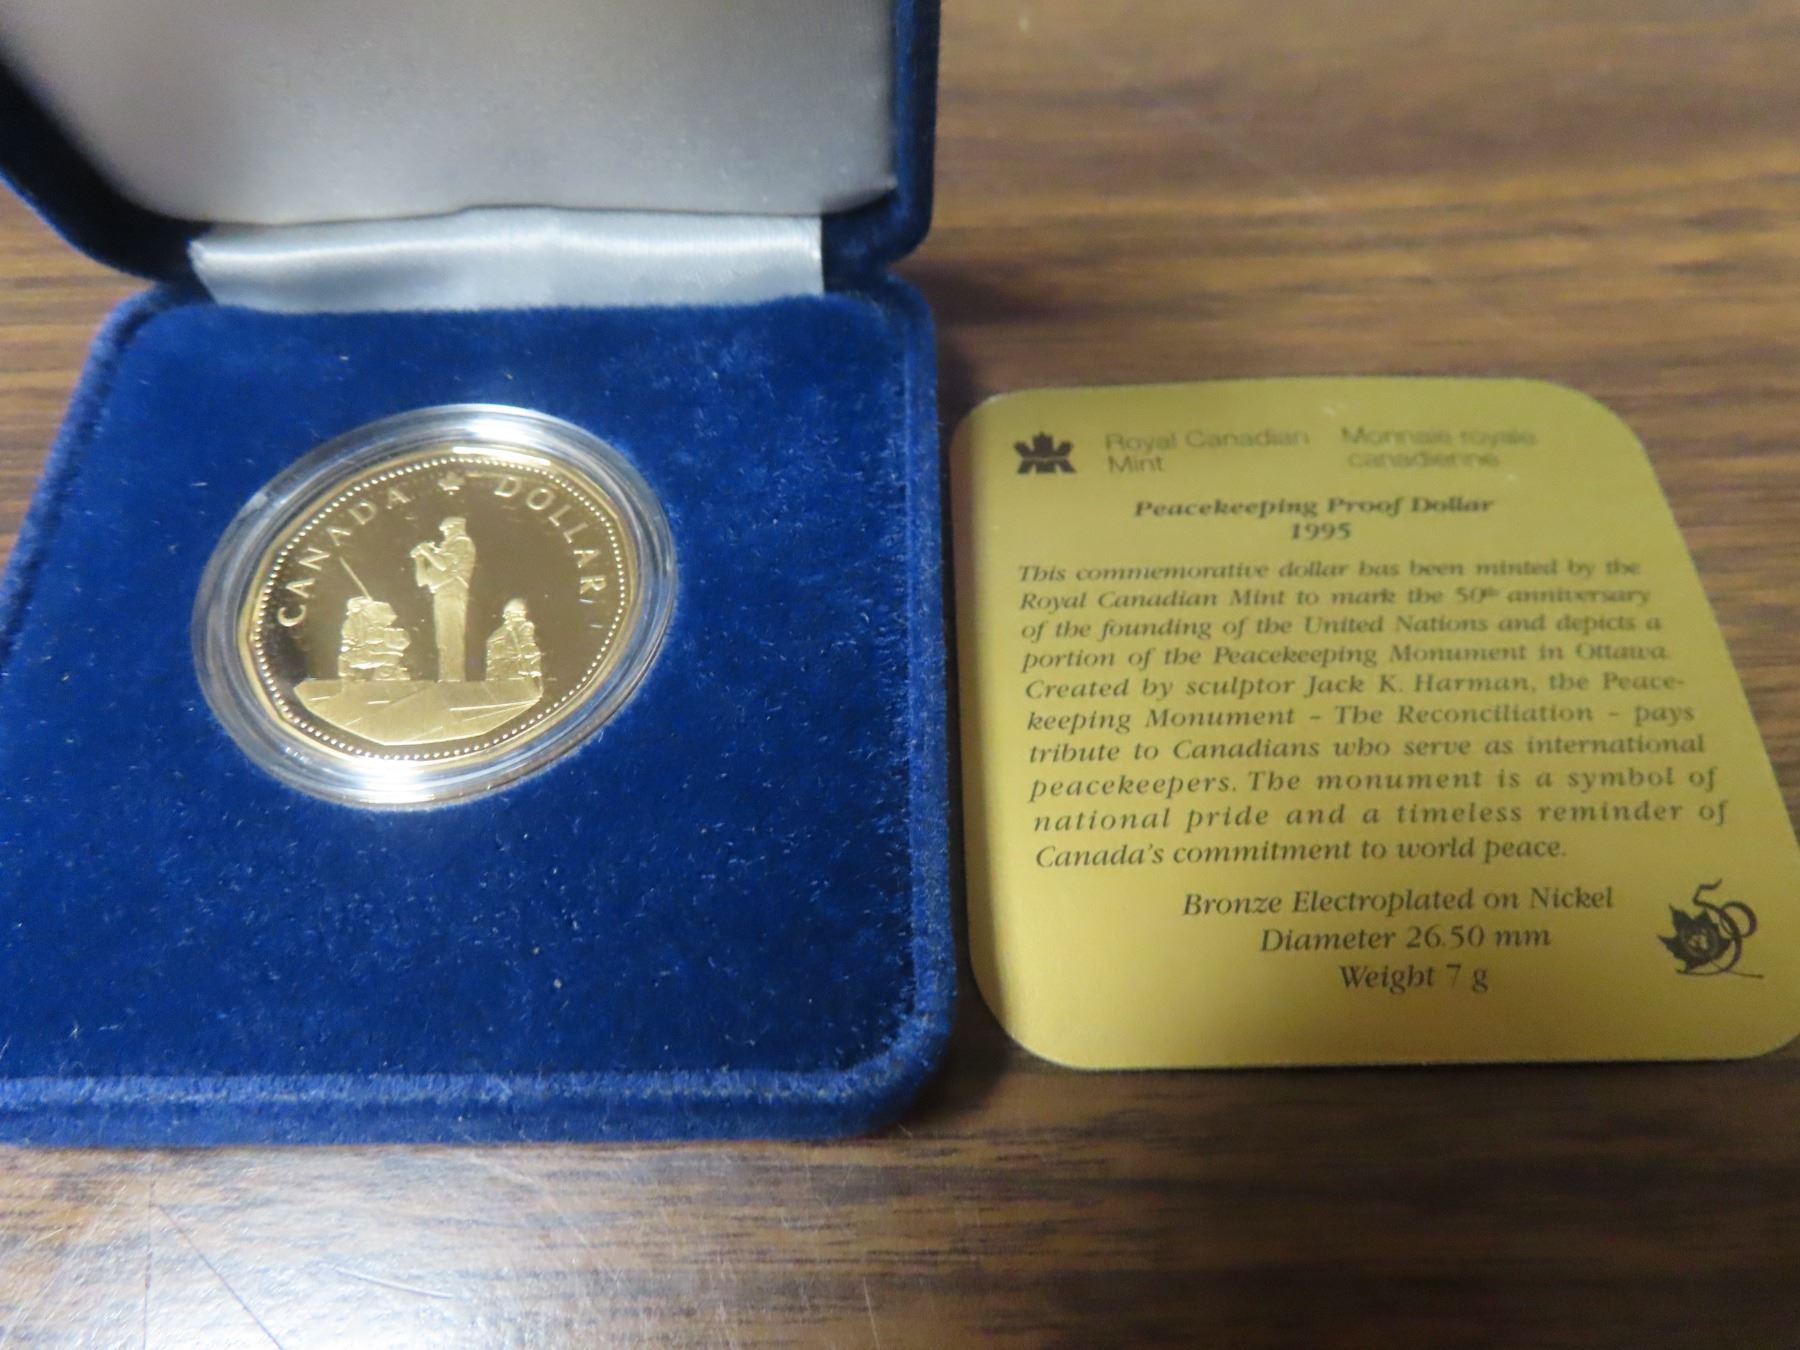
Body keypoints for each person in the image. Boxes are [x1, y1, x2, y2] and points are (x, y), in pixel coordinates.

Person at [411, 517, 477, 681]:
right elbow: (422, 580)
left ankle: (454, 677)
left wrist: (428, 552)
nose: (445, 534)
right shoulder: (443, 551)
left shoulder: (462, 542)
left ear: (456, 527)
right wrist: (419, 560)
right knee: (443, 639)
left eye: (447, 529)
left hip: (453, 593)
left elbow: (444, 564)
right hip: (441, 594)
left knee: (451, 636)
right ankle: (447, 676)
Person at [337, 596, 410, 681]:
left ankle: (348, 681)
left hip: (370, 657)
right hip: (388, 659)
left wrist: (348, 647)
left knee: (344, 659)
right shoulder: (382, 625)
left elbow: (347, 643)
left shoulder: (354, 622)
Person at [485, 599, 544, 682]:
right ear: (521, 613)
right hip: (516, 676)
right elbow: (528, 648)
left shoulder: (495, 635)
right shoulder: (524, 626)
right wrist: (535, 668)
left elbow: (491, 663)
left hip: (497, 679)